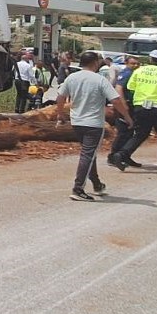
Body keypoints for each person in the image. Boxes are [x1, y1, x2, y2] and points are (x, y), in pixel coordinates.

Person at [57, 51, 133, 201]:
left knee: (89, 154)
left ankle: (97, 185)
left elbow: (60, 97)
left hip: (77, 122)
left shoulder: (72, 77)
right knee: (88, 155)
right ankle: (78, 188)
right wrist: (127, 116)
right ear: (94, 63)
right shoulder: (99, 80)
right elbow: (116, 100)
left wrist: (60, 114)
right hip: (93, 123)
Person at [114, 49, 157, 176]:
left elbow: (131, 87)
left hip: (140, 108)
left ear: (150, 59)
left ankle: (121, 154)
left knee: (140, 134)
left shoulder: (139, 71)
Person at [106, 56, 143, 169]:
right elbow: (119, 89)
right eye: (133, 63)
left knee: (129, 133)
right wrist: (124, 106)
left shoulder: (134, 73)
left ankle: (125, 156)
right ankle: (113, 156)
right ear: (126, 63)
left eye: (137, 63)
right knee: (123, 132)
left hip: (131, 106)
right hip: (125, 107)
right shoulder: (126, 74)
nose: (136, 66)